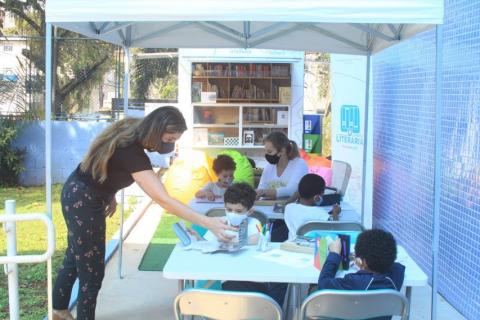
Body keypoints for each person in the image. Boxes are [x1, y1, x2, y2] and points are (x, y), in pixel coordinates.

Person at [52, 106, 234, 320]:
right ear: (157, 130)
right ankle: (66, 313)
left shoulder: (132, 130)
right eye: (169, 138)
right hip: (83, 199)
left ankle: (59, 311)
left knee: (75, 257)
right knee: (91, 273)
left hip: (80, 192)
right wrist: (209, 223)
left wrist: (109, 192)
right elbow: (164, 200)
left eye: (175, 139)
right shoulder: (132, 151)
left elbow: (105, 162)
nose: (170, 144)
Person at [318, 229, 405, 320]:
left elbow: (323, 283)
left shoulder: (354, 282)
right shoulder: (396, 275)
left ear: (362, 261)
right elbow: (397, 266)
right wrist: (364, 264)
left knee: (313, 290)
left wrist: (334, 254)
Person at [284, 173, 340, 240]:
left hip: (292, 247)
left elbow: (287, 203)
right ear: (316, 197)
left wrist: (296, 195)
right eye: (323, 194)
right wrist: (335, 214)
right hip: (313, 248)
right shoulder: (321, 213)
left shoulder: (289, 208)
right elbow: (335, 229)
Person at [256, 131, 308, 200]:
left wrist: (263, 192)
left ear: (282, 151)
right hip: (267, 207)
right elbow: (261, 188)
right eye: (265, 151)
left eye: (270, 152)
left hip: (290, 208)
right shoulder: (269, 166)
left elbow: (292, 190)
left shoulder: (299, 164)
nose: (266, 155)